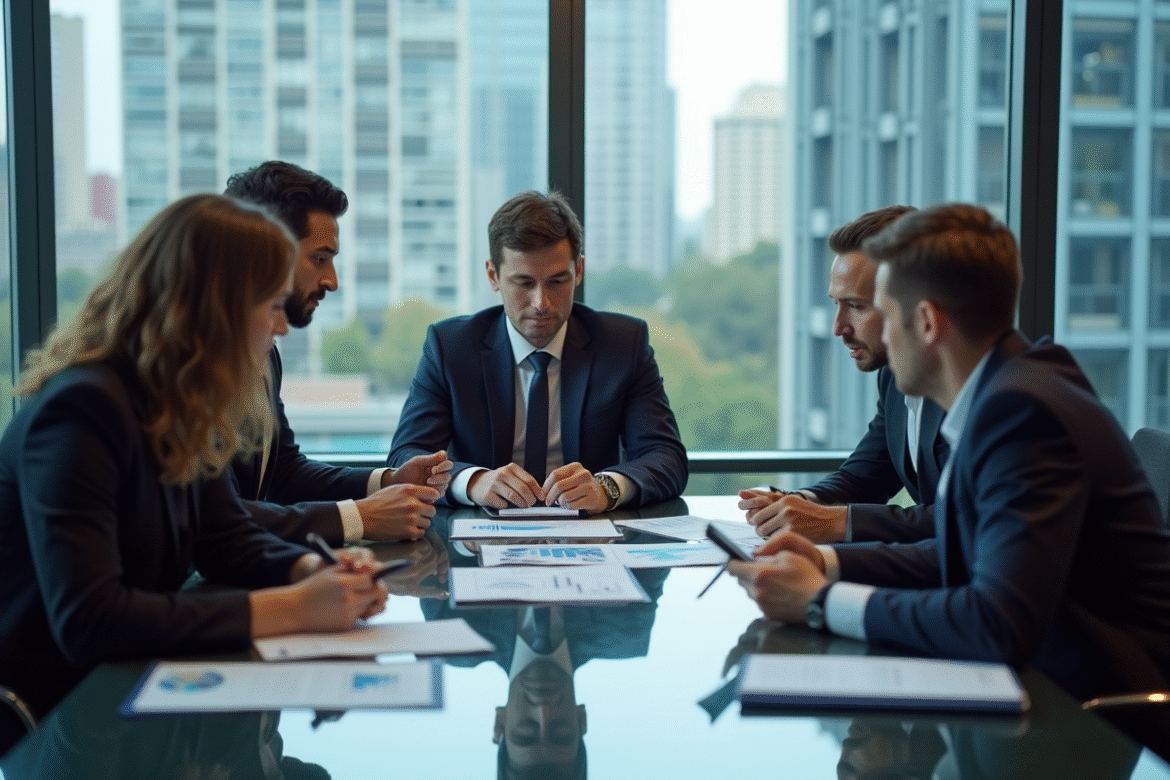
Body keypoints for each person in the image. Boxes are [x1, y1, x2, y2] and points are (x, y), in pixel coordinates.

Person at [728, 203, 1170, 758]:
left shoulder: (1023, 414)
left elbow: (996, 623)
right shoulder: (1006, 393)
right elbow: (966, 554)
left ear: (929, 323)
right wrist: (830, 563)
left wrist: (821, 601)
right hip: (1048, 679)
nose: (874, 336)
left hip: (1094, 713)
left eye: (883, 314)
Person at [0, 194, 388, 755]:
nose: (282, 326)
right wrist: (296, 607)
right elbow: (90, 619)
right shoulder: (82, 410)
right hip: (53, 724)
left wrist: (314, 568)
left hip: (129, 706)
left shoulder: (176, 401)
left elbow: (225, 536)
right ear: (218, 310)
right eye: (272, 305)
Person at [387, 190, 687, 513]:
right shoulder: (450, 348)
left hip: (589, 542)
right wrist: (473, 482)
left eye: (557, 282)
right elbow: (405, 458)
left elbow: (666, 457)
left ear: (579, 271)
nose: (541, 303)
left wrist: (607, 488)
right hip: (478, 540)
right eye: (524, 283)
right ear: (493, 276)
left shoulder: (623, 344)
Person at [223, 161, 451, 545]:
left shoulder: (264, 353)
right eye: (319, 258)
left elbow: (280, 472)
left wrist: (387, 481)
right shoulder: (188, 364)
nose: (332, 280)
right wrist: (357, 518)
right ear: (267, 249)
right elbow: (216, 517)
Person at [738, 205, 948, 544]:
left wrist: (836, 523)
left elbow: (963, 521)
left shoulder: (987, 395)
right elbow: (868, 476)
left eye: (857, 306)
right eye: (836, 304)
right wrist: (801, 504)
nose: (838, 328)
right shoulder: (895, 377)